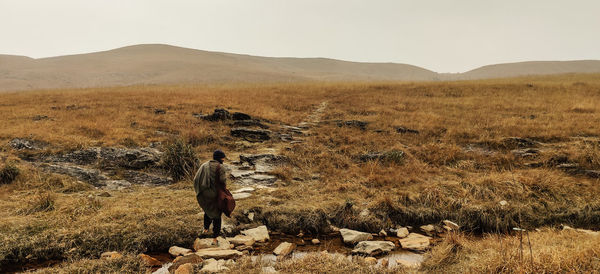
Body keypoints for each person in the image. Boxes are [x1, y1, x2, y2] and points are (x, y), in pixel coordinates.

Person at [193, 149, 227, 238]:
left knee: (207, 210)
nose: (224, 160)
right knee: (217, 214)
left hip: (204, 193)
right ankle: (215, 236)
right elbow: (223, 182)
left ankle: (205, 229)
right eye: (223, 158)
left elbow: (196, 179)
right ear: (220, 158)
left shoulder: (204, 165)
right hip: (215, 194)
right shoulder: (220, 167)